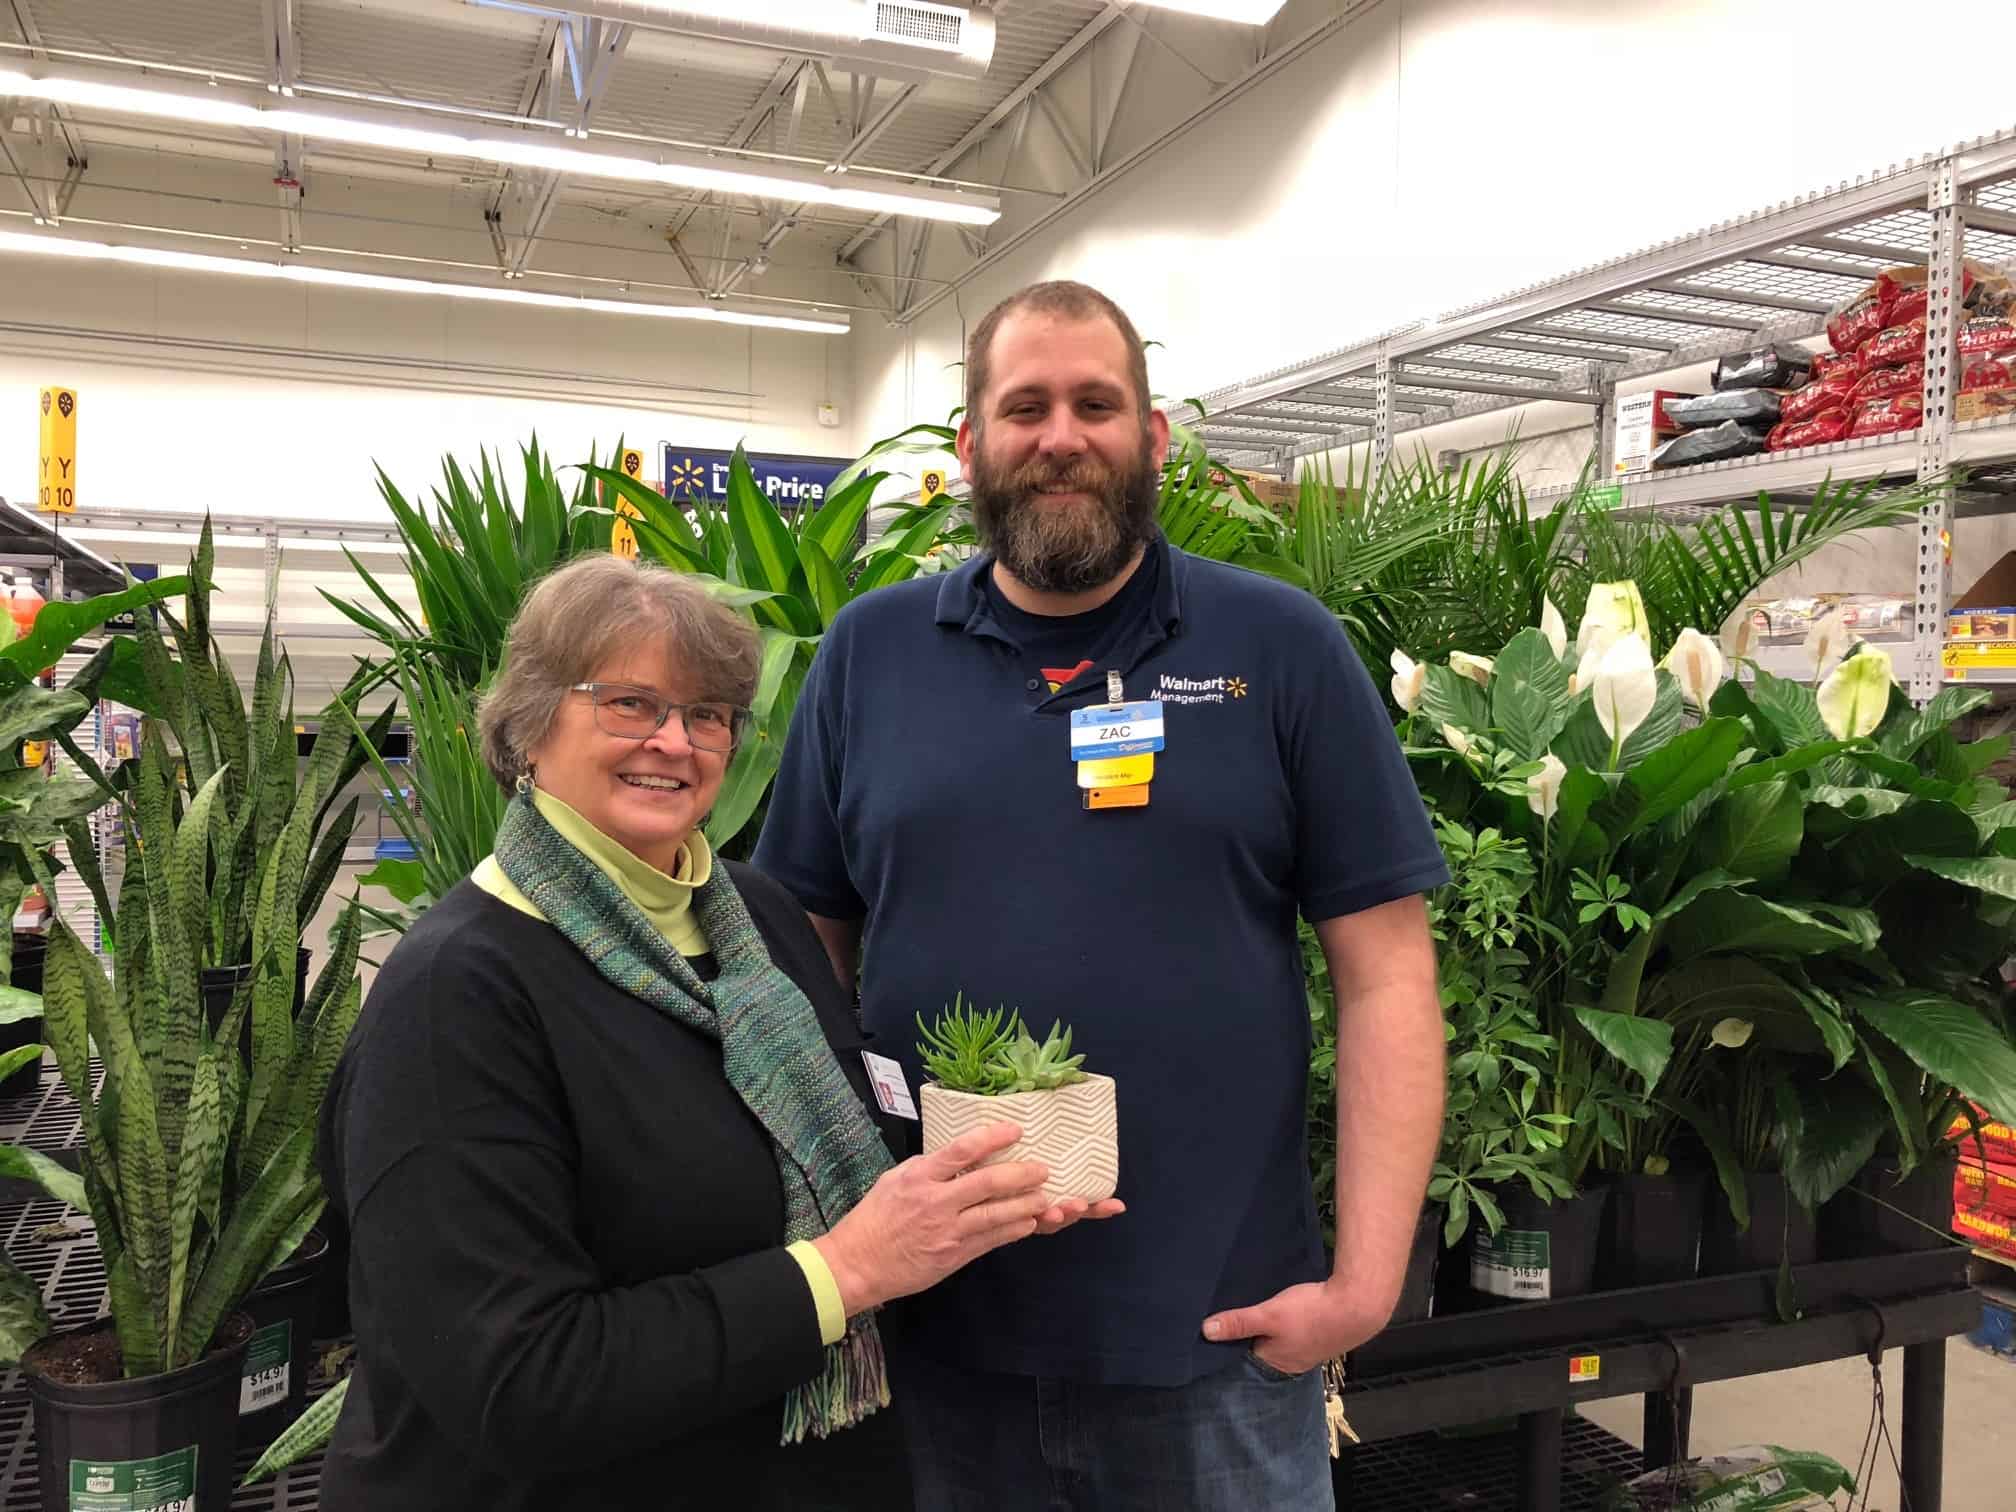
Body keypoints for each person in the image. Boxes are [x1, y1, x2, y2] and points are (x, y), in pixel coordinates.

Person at [753, 280, 1448, 1508]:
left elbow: (1387, 974)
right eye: (1025, 407)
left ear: (1154, 438)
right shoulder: (871, 653)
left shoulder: (1279, 648)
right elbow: (804, 958)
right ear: (970, 446)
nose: (1060, 436)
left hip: (1220, 1342)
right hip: (934, 1334)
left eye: (1095, 404)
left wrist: (1365, 1282)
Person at [317, 554, 1114, 1512]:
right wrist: (849, 1266)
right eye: (629, 703)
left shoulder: (757, 918)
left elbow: (841, 1164)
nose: (674, 741)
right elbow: (518, 1382)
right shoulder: (460, 994)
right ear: (530, 722)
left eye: (707, 715)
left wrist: (982, 1196)